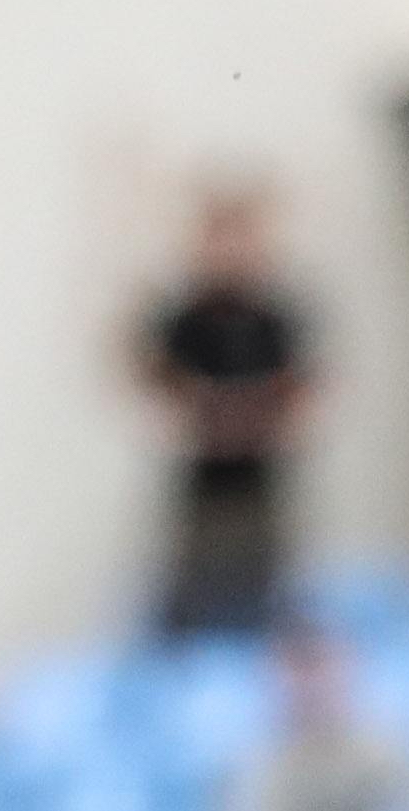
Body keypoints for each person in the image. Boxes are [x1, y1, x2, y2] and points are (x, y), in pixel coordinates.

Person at [140, 183, 313, 637]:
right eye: (221, 240)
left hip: (259, 473)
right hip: (203, 475)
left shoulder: (272, 318)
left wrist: (267, 416)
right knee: (195, 572)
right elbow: (160, 383)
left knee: (264, 572)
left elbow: (299, 387)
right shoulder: (187, 318)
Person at [234, 626, 409, 811]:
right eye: (294, 669)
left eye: (318, 665)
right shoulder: (259, 772)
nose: (308, 687)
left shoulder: (397, 751)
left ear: (350, 666)